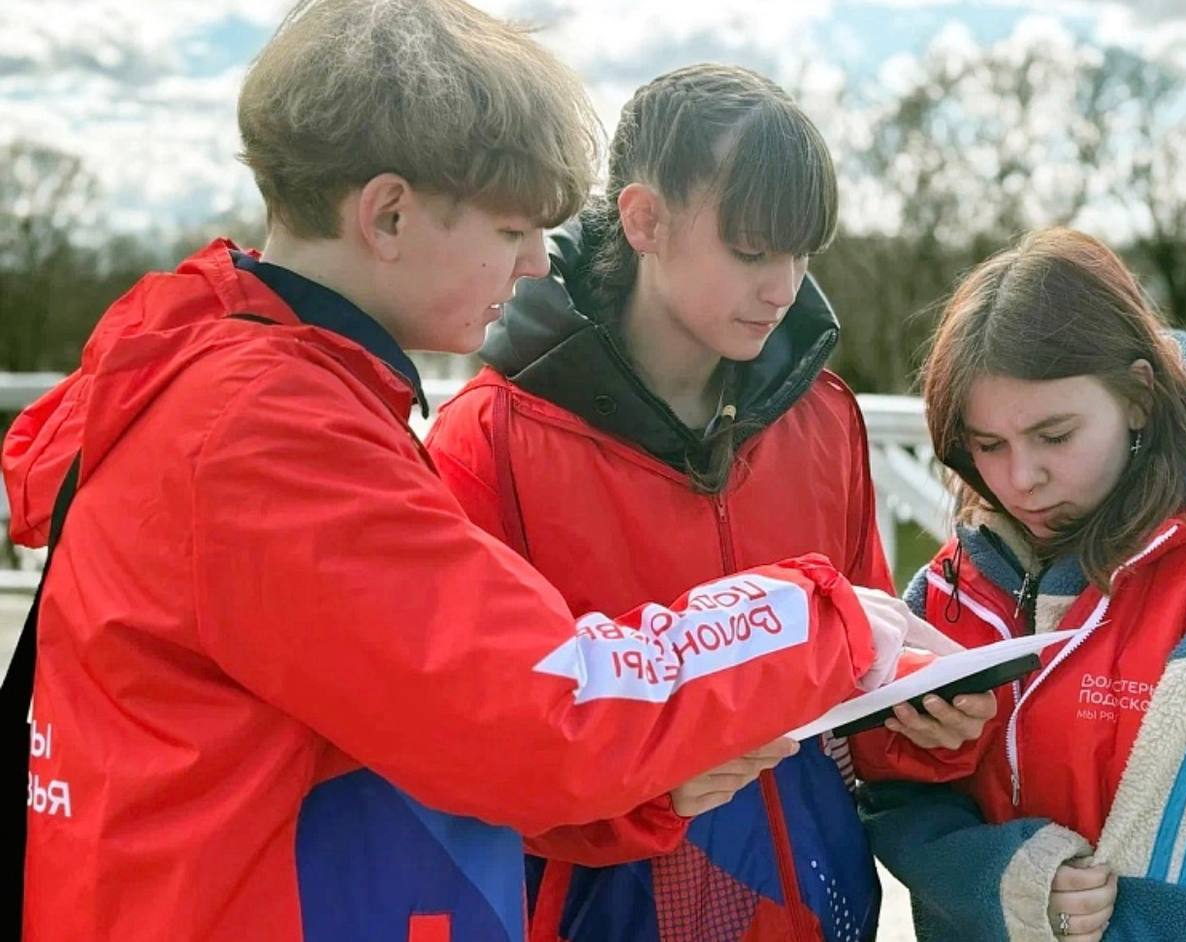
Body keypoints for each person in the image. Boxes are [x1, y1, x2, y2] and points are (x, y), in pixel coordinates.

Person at [0, 3, 934, 940]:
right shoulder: (264, 431)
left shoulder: (239, 385)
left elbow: (436, 731)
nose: (533, 264)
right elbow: (545, 708)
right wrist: (818, 617)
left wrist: (651, 790)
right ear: (389, 215)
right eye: (511, 228)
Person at [425, 63, 993, 942]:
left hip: (823, 910)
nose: (785, 288)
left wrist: (931, 725)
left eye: (803, 253)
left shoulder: (824, 417)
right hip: (596, 916)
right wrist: (653, 788)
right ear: (644, 220)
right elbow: (467, 753)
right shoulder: (487, 439)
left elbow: (861, 686)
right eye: (753, 251)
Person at [856, 228, 1186, 942]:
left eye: (1054, 436)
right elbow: (891, 797)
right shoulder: (947, 593)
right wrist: (999, 881)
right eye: (988, 445)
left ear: (1139, 396)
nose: (1022, 478)